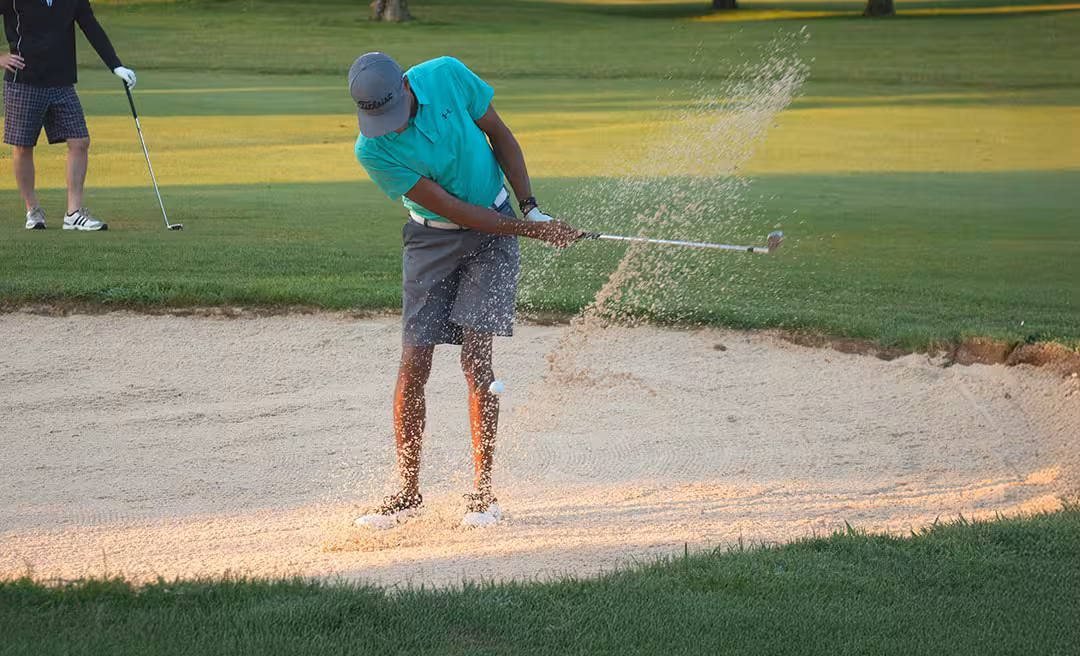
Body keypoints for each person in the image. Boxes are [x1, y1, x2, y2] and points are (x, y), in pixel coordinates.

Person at [349, 52, 583, 529]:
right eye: (380, 122)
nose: (390, 129)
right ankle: (408, 492)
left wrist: (531, 209)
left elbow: (500, 134)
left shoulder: (447, 76)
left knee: (477, 357)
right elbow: (454, 210)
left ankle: (482, 493)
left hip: (494, 230)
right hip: (431, 237)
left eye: (394, 117)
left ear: (407, 88)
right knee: (414, 362)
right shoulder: (371, 150)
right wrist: (532, 231)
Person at [2, 0, 137, 231]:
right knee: (23, 147)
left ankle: (73, 213)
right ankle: (32, 209)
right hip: (24, 79)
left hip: (62, 81)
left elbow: (90, 25)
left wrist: (115, 65)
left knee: (80, 141)